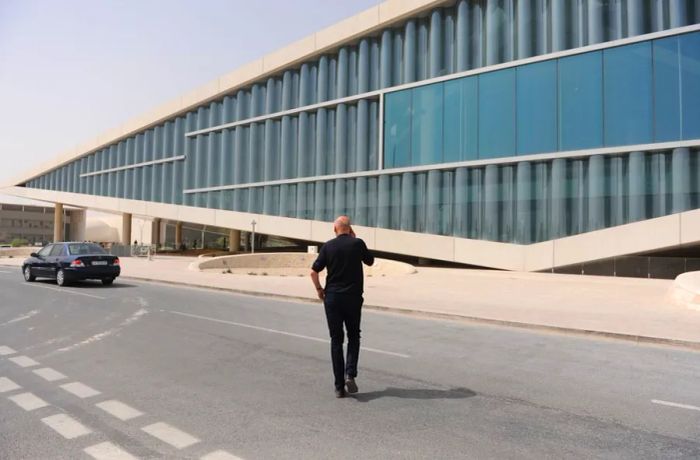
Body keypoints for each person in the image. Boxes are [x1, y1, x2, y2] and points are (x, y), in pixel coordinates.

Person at [310, 216, 374, 398]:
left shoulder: (328, 246)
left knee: (336, 340)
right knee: (354, 335)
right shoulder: (357, 243)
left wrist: (319, 290)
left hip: (333, 298)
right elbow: (370, 261)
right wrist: (354, 239)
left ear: (334, 229)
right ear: (350, 229)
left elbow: (313, 272)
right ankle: (350, 374)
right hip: (353, 298)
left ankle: (339, 387)